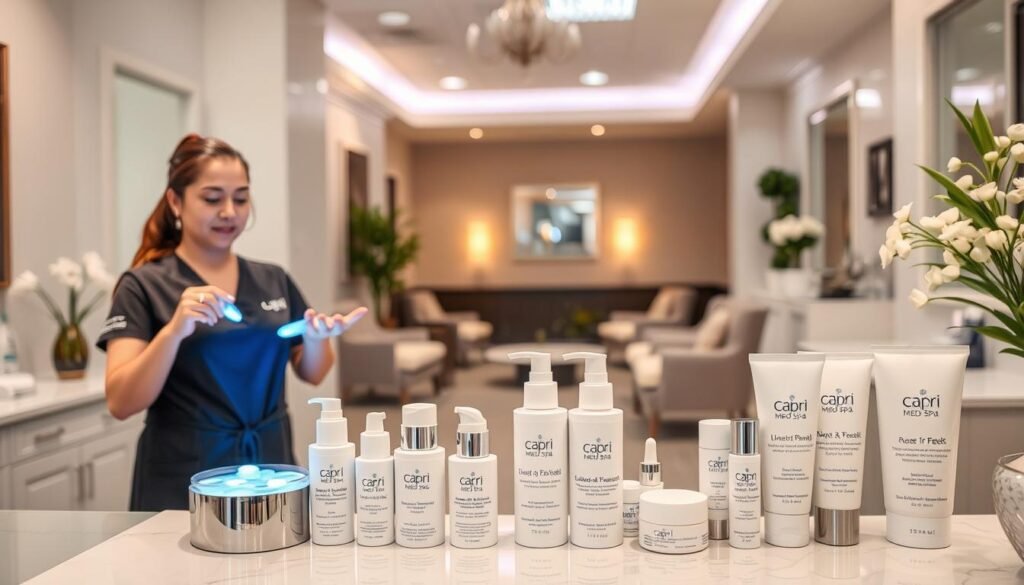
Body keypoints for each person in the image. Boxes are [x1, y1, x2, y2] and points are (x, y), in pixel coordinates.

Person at [97, 134, 366, 511]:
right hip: (185, 474)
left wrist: (320, 339)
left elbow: (314, 373)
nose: (229, 211)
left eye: (240, 198)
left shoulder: (273, 279)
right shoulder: (144, 284)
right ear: (176, 201)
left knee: (278, 568)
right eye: (212, 198)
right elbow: (122, 402)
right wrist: (174, 332)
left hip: (269, 466)